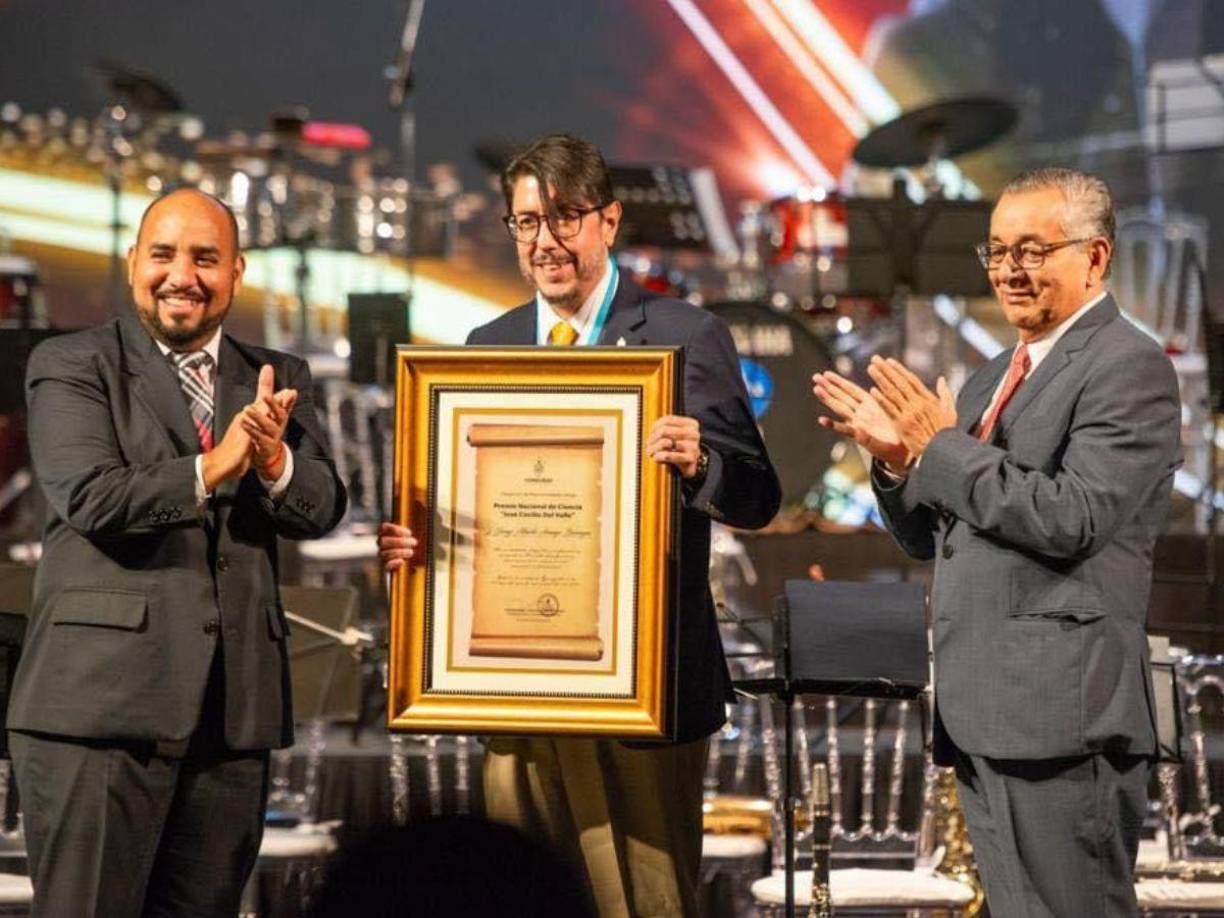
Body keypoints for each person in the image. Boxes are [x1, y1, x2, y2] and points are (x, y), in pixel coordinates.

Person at [378, 133, 780, 916]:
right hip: (512, 686)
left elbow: (760, 498)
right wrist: (420, 547)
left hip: (645, 688)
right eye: (527, 222)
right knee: (516, 895)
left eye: (565, 217)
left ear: (609, 221)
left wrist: (704, 467)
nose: (546, 241)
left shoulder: (684, 335)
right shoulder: (485, 347)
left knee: (649, 903)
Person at [813, 167, 1181, 916]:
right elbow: (930, 536)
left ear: (1096, 257)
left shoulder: (1129, 367)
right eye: (998, 250)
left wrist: (939, 448)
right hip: (984, 712)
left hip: (1061, 720)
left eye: (1034, 250)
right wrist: (897, 463)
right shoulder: (986, 381)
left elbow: (1071, 515)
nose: (1011, 270)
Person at [8, 188, 347, 915]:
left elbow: (320, 507)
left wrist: (271, 463)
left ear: (236, 272)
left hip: (231, 722)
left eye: (205, 258)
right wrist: (218, 462)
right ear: (134, 262)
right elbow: (94, 498)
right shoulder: (71, 364)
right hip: (99, 718)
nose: (181, 275)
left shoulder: (277, 377)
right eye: (162, 254)